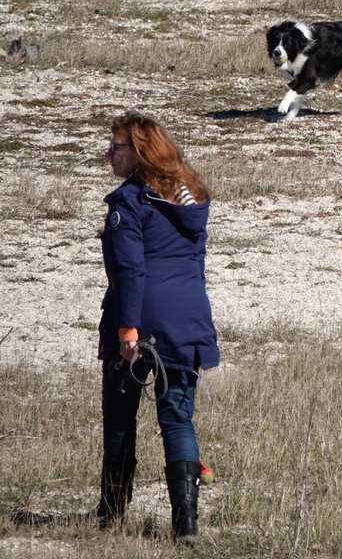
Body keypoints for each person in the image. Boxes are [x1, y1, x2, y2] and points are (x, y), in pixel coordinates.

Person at [96, 110, 219, 542]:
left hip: (139, 319)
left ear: (139, 151)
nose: (109, 154)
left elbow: (130, 271)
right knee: (178, 419)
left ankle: (111, 515)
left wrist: (127, 330)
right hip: (188, 319)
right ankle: (186, 522)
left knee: (120, 418)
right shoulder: (192, 198)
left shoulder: (128, 202)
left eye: (116, 147)